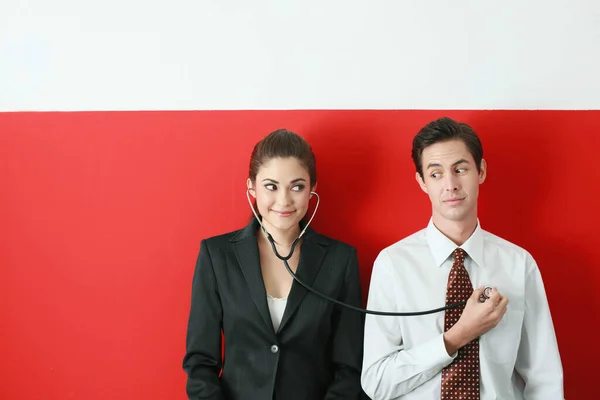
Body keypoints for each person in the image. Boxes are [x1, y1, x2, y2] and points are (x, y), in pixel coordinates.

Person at [361, 117, 563, 399]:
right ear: (421, 182)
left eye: (460, 169)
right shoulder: (393, 264)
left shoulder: (519, 265)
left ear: (480, 171)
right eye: (436, 174)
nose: (450, 184)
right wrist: (457, 336)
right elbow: (377, 382)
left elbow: (545, 380)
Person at [183, 129, 366, 399]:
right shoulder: (216, 255)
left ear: (312, 189)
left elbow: (350, 366)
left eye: (297, 186)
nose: (284, 200)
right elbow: (200, 364)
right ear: (252, 188)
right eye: (271, 186)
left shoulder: (340, 260)